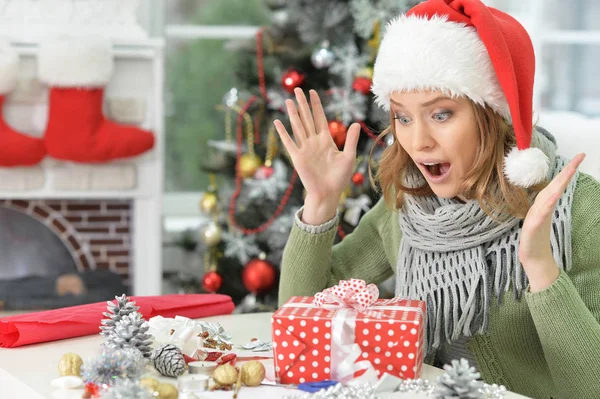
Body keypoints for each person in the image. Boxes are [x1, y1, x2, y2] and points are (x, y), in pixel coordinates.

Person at [273, 1, 600, 398]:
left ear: (493, 115)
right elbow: (302, 315)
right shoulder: (406, 206)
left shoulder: (580, 209)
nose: (418, 141)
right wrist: (321, 203)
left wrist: (541, 268)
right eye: (403, 117)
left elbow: (591, 388)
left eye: (441, 114)